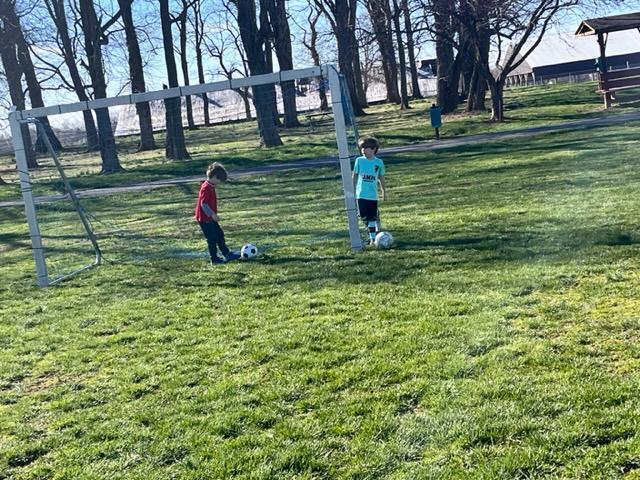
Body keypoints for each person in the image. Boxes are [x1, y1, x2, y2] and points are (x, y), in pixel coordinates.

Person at [194, 162, 240, 264]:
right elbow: (204, 204)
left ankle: (227, 254)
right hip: (205, 219)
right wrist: (212, 214)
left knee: (219, 234)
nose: (219, 183)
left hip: (210, 218)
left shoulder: (211, 186)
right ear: (214, 177)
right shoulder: (206, 188)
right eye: (219, 180)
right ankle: (214, 259)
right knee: (212, 238)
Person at [352, 137, 387, 245]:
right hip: (361, 194)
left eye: (366, 148)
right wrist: (351, 189)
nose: (363, 150)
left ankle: (372, 238)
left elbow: (381, 178)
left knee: (371, 217)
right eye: (362, 148)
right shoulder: (359, 160)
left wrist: (384, 191)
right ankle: (374, 228)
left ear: (374, 149)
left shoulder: (379, 162)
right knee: (363, 216)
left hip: (372, 195)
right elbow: (355, 175)